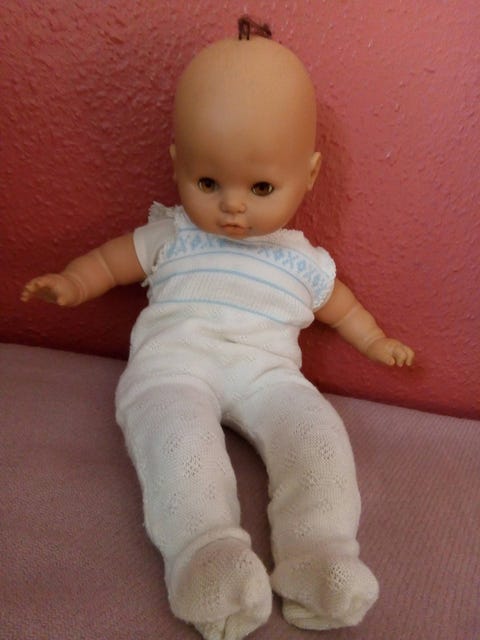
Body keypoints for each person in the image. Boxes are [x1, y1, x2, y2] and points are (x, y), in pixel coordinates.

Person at [22, 26, 414, 640]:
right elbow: (108, 262)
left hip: (267, 376)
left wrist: (375, 342)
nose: (233, 206)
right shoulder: (173, 235)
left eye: (261, 188)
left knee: (316, 438)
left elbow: (344, 310)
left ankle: (320, 555)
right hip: (174, 366)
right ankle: (206, 555)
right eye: (208, 184)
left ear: (309, 175)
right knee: (177, 440)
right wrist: (72, 284)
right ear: (177, 164)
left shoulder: (303, 262)